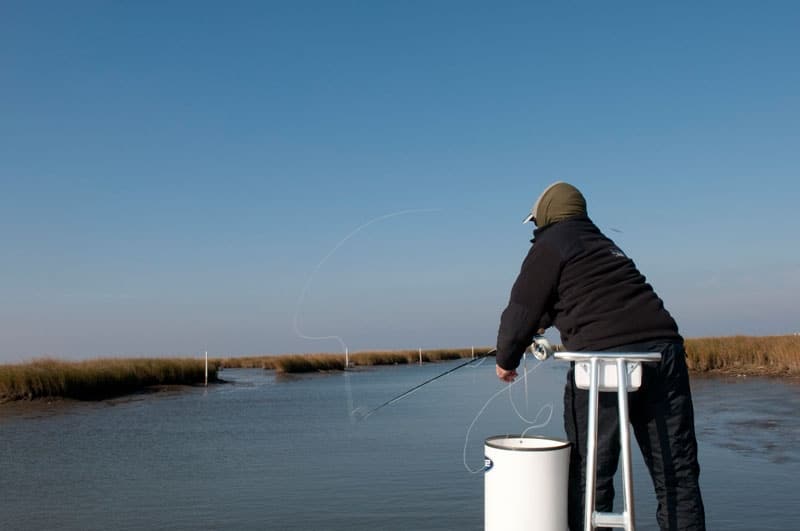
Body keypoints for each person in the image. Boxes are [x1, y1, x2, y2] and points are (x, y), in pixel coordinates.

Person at [494, 182, 706, 531]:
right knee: (676, 472)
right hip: (664, 353)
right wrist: (538, 328)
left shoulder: (550, 245)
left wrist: (506, 361)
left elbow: (522, 310)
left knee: (591, 476)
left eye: (536, 222)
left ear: (546, 215)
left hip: (603, 362)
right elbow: (581, 299)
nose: (535, 228)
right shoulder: (604, 247)